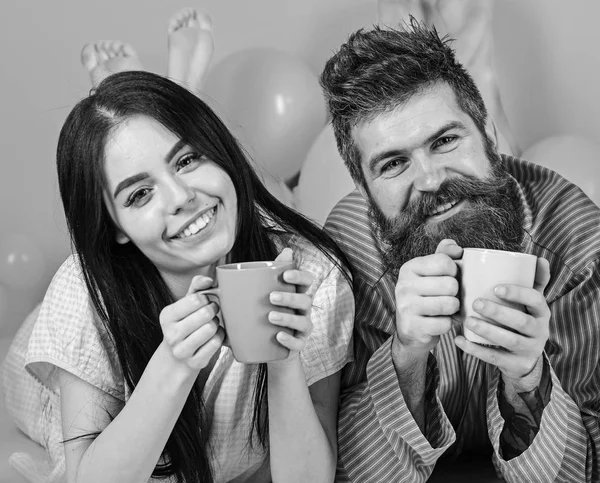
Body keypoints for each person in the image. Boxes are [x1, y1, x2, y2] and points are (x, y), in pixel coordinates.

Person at [7, 69, 354, 483]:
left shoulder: (311, 275)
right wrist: (172, 364)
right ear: (115, 226)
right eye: (139, 194)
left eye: (187, 160)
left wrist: (284, 361)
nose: (181, 197)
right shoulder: (84, 293)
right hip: (47, 374)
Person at [320, 19, 600, 483]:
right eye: (393, 163)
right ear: (363, 186)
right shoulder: (347, 256)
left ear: (487, 131)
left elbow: (589, 468)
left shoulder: (579, 248)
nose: (430, 180)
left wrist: (530, 382)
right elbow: (350, 472)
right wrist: (404, 358)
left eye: (445, 140)